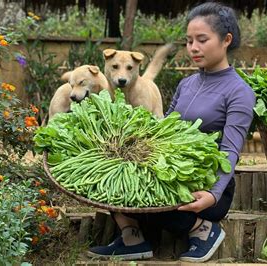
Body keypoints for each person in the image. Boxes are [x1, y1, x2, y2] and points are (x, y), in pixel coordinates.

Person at [87, 2, 256, 262]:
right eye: (189, 41)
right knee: (113, 177)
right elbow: (164, 130)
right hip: (170, 171)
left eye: (202, 40)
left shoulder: (239, 92)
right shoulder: (186, 84)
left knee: (162, 201)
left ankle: (202, 229)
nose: (193, 48)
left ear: (226, 40)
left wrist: (212, 195)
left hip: (206, 183)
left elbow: (231, 151)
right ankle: (133, 238)